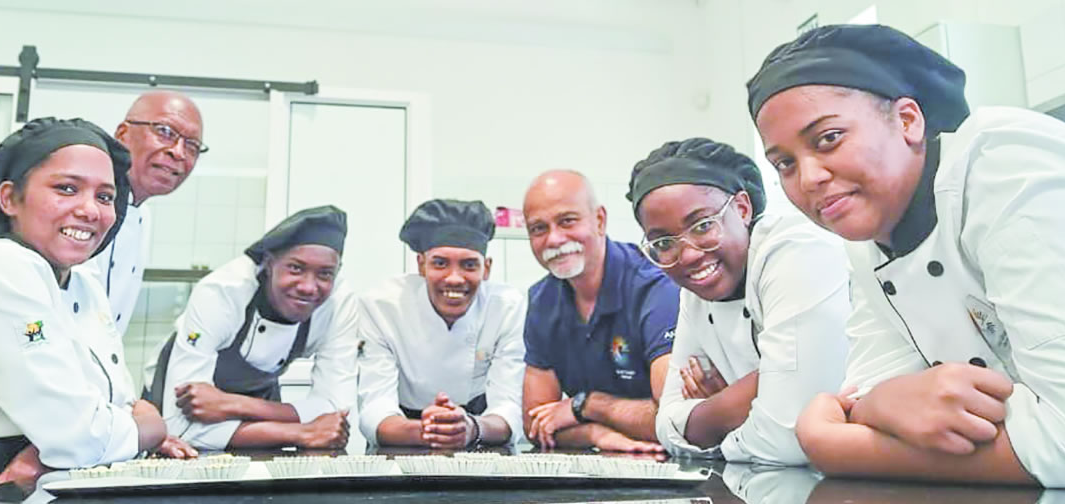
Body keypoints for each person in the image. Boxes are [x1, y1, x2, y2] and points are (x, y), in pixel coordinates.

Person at [748, 24, 1065, 487]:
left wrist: (835, 447)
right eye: (784, 163)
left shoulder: (1009, 164)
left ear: (909, 121)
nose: (808, 178)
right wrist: (880, 404)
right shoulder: (869, 243)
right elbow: (865, 400)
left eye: (828, 138)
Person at [0, 118, 186, 504]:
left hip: (22, 482)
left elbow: (116, 402)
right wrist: (150, 428)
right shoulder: (0, 263)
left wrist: (125, 428)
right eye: (67, 188)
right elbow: (77, 435)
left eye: (104, 196)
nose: (90, 210)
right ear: (10, 198)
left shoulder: (84, 284)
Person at [629, 138, 850, 464]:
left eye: (703, 225)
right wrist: (760, 392)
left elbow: (788, 437)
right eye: (663, 243)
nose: (688, 255)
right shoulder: (695, 295)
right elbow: (667, 423)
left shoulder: (797, 252)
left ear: (743, 208)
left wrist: (717, 414)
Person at [143, 206, 357, 450]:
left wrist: (232, 404)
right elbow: (178, 428)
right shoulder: (222, 293)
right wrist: (301, 432)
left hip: (258, 402)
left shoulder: (339, 303)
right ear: (268, 262)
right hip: (168, 403)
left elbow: (336, 410)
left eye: (325, 274)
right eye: (295, 268)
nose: (309, 287)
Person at [520, 170, 679, 452]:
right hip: (608, 458)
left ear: (600, 220)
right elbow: (537, 425)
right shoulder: (541, 300)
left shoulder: (656, 289)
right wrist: (596, 434)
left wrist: (588, 405)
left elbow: (675, 418)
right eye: (538, 229)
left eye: (567, 221)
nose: (554, 239)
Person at [358, 199, 526, 449]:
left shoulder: (507, 307)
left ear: (487, 269)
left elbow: (509, 407)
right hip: (402, 432)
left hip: (480, 431)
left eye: (469, 265)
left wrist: (470, 428)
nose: (455, 278)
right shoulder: (383, 307)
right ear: (421, 265)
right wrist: (429, 432)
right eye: (440, 263)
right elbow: (375, 408)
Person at [82, 91, 205, 334]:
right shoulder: (86, 207)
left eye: (192, 146)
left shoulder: (143, 216)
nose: (178, 152)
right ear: (122, 135)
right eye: (165, 132)